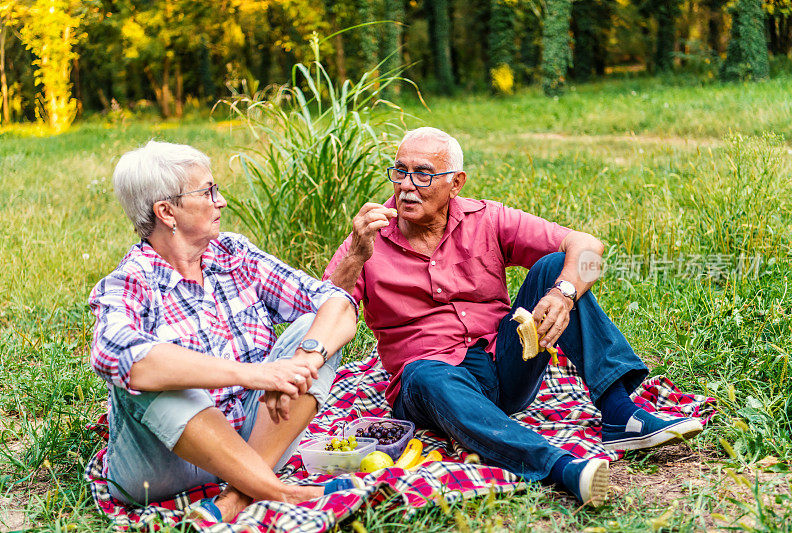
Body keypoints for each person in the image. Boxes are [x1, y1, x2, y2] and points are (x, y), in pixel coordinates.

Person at [323, 127, 703, 506]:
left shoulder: (486, 219)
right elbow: (325, 307)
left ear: (455, 184)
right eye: (400, 171)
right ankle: (560, 467)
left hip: (504, 365)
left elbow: (587, 247)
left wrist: (563, 294)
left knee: (558, 267)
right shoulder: (369, 239)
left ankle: (620, 413)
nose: (406, 185)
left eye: (423, 174)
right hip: (431, 383)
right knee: (424, 372)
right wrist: (356, 254)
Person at [89, 141, 358, 522]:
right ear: (167, 212)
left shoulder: (233, 255)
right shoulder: (129, 282)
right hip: (165, 464)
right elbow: (114, 355)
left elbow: (338, 303)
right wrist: (257, 374)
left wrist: (302, 361)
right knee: (150, 374)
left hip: (253, 438)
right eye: (208, 191)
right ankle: (280, 491)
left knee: (311, 333)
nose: (221, 202)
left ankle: (237, 496)